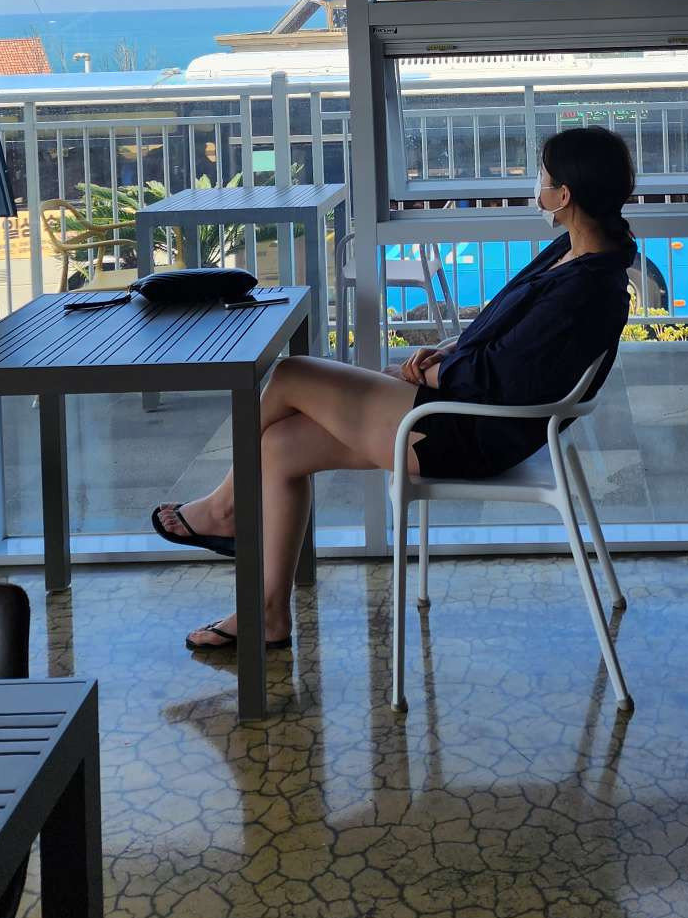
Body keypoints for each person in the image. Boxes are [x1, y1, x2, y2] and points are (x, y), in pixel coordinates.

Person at [151, 125, 637, 654]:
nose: (535, 185)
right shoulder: (574, 253)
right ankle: (269, 615)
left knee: (291, 375)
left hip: (469, 434)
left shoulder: (586, 285)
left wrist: (435, 375)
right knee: (279, 447)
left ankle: (224, 509)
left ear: (563, 195)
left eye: (542, 176)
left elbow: (507, 379)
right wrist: (448, 352)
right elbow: (509, 341)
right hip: (467, 412)